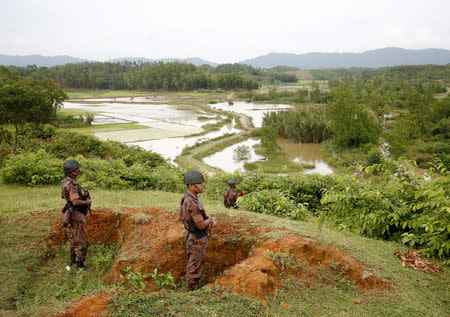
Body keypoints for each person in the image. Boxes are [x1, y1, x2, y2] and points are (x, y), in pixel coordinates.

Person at [179, 170, 213, 291]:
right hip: (197, 240)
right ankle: (191, 294)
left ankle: (190, 290)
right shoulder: (193, 203)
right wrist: (210, 219)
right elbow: (201, 226)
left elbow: (180, 217)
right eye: (199, 183)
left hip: (190, 237)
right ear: (191, 185)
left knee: (192, 265)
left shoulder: (185, 199)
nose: (202, 185)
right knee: (195, 269)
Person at [61, 159, 92, 270]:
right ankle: (80, 265)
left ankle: (73, 260)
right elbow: (75, 202)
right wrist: (87, 201)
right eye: (76, 169)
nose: (78, 170)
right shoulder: (72, 185)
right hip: (76, 213)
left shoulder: (65, 181)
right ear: (70, 172)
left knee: (74, 238)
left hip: (70, 210)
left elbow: (68, 198)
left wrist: (82, 196)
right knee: (81, 240)